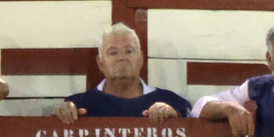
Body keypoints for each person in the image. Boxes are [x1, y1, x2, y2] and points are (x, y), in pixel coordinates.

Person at [54, 23, 193, 121]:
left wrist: (175, 122)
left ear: (140, 59)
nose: (122, 58)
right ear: (100, 63)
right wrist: (59, 116)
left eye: (129, 51)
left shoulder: (173, 103)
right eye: (113, 53)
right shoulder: (78, 107)